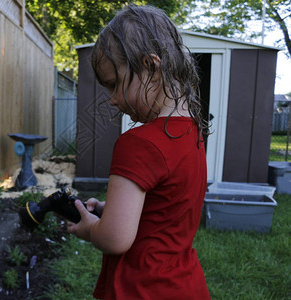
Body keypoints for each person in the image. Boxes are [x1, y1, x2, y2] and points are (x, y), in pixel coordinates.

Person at [67, 4, 211, 300]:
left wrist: (92, 228)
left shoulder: (139, 143)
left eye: (114, 85)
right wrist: (115, 212)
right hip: (185, 284)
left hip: (141, 288)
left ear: (150, 67)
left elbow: (115, 239)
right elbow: (167, 211)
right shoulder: (191, 134)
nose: (111, 100)